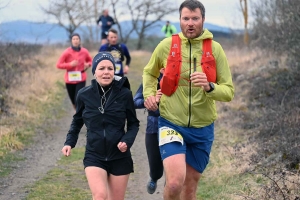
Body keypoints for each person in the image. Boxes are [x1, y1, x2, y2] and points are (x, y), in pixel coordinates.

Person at [142, 0, 234, 200]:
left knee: (189, 188)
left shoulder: (215, 49)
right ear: (180, 20)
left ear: (203, 20)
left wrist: (210, 86)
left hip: (202, 127)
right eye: (186, 18)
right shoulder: (166, 46)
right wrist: (149, 95)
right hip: (171, 122)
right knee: (175, 183)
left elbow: (228, 91)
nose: (190, 23)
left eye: (195, 18)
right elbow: (149, 73)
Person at [61, 52, 140, 200]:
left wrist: (127, 141)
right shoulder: (84, 95)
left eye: (110, 68)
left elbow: (134, 124)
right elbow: (77, 121)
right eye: (101, 68)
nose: (106, 72)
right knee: (100, 196)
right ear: (94, 72)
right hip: (94, 154)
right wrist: (69, 143)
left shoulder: (125, 94)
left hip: (119, 156)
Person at [133, 69, 164, 194]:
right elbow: (135, 101)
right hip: (154, 125)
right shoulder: (151, 79)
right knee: (155, 163)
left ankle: (171, 186)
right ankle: (154, 177)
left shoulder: (181, 77)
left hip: (177, 125)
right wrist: (149, 102)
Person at [56, 33, 92, 110]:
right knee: (73, 101)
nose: (75, 41)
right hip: (70, 80)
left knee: (78, 98)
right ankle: (77, 111)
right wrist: (70, 64)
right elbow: (58, 65)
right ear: (71, 41)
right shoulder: (67, 52)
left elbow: (90, 61)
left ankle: (79, 115)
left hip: (81, 78)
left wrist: (88, 64)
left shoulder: (84, 51)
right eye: (74, 39)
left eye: (77, 39)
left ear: (80, 41)